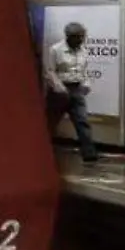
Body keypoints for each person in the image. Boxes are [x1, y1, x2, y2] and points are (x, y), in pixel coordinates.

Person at [44, 21, 99, 164]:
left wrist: (86, 84)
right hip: (59, 91)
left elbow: (84, 71)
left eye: (82, 36)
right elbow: (50, 71)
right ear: (69, 37)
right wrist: (58, 86)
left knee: (82, 121)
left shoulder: (83, 50)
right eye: (78, 37)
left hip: (76, 89)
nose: (81, 40)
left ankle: (89, 154)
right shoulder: (55, 50)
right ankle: (40, 150)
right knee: (50, 122)